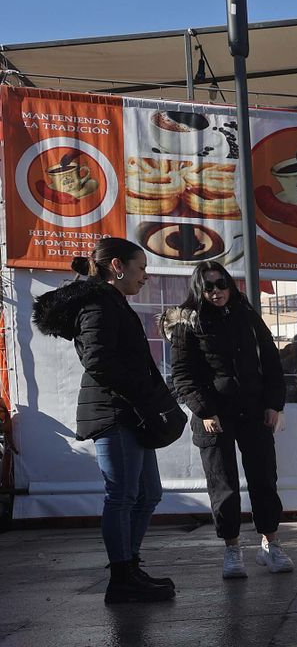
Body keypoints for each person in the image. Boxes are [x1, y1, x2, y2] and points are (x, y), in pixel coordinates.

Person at [33, 240, 175, 603]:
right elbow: (98, 360)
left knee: (148, 494)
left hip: (130, 413)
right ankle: (122, 576)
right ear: (117, 266)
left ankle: (130, 566)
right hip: (115, 412)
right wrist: (141, 393)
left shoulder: (112, 302)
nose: (146, 276)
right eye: (141, 268)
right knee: (123, 495)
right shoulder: (99, 304)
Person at [169, 261, 292, 578]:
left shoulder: (247, 314)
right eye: (208, 286)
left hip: (253, 410)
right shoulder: (187, 321)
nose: (216, 291)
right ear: (199, 290)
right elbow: (182, 375)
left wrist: (274, 405)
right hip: (214, 415)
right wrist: (204, 411)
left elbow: (271, 362)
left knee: (264, 478)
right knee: (222, 483)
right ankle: (232, 549)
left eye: (221, 283)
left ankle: (271, 544)